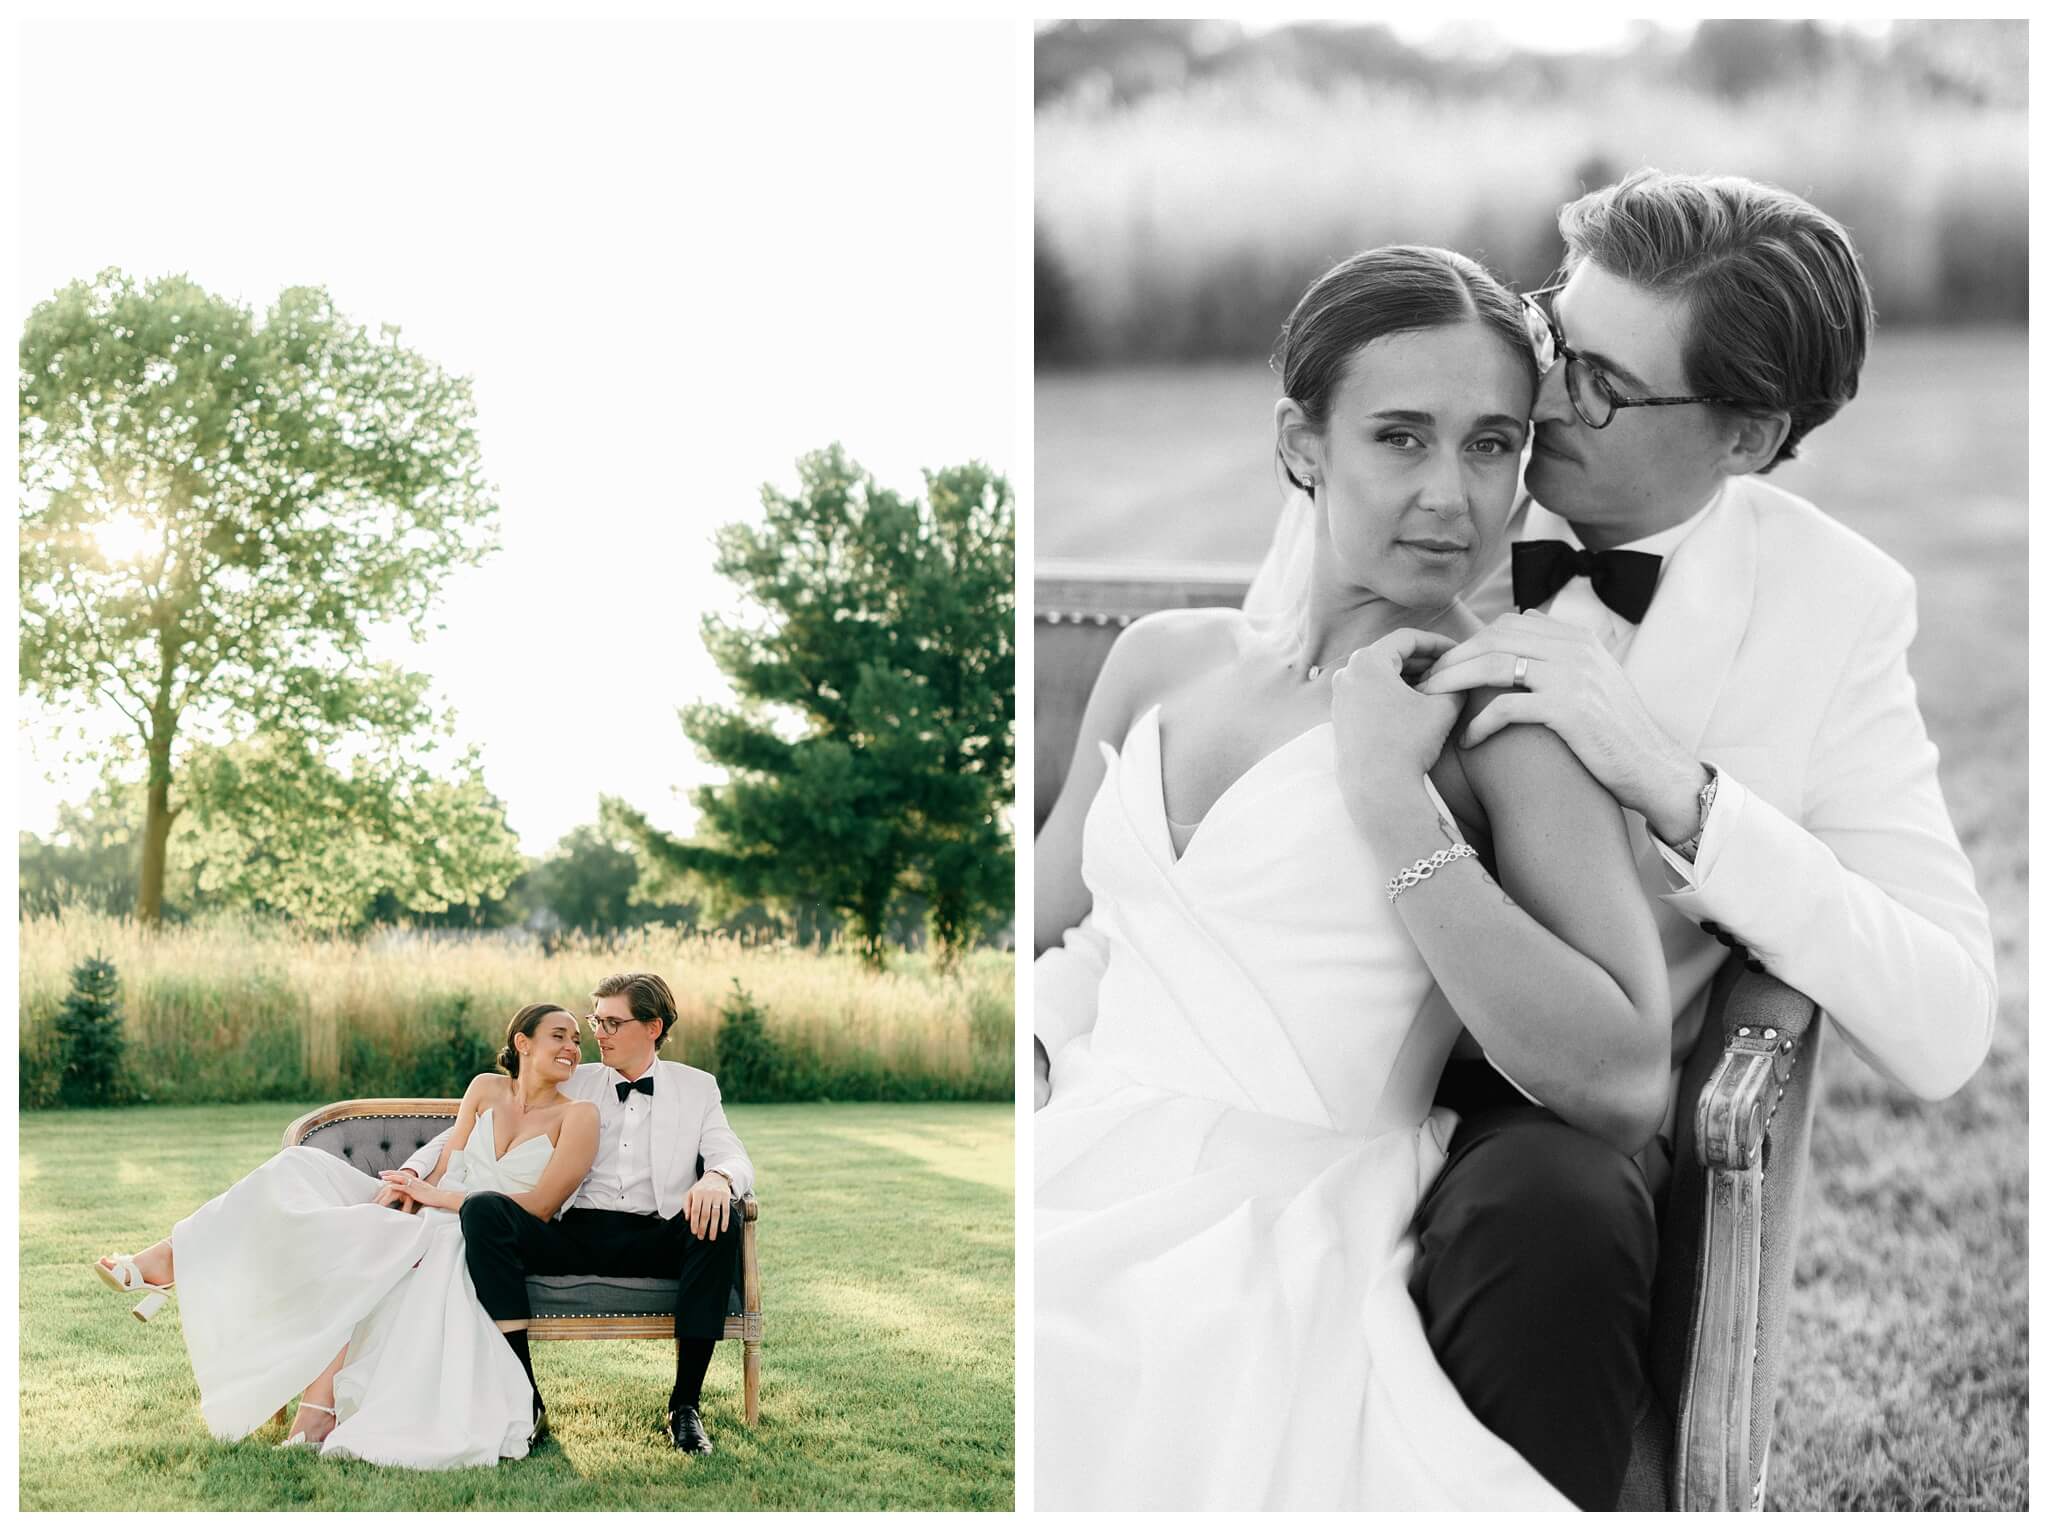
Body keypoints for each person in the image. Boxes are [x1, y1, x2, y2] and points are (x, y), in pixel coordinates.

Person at [1032, 244, 1671, 1509]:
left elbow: (1623, 1075)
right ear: (1301, 440)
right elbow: (1034, 924)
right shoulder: (1160, 659)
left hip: (1267, 1220)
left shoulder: (1506, 716)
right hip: (1067, 1152)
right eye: (1399, 436)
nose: (1452, 494)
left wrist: (1387, 803)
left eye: (1492, 444)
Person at [1399, 169, 1998, 1508]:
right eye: (1556, 330)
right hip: (1324, 1024)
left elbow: (1949, 1021)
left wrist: (1684, 789)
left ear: (1745, 435)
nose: (1543, 393)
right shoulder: (1430, 482)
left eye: (1603, 383)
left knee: (1547, 1212)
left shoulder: (1834, 605)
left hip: (1567, 1104)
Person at [93, 1003, 600, 1468]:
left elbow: (538, 1208)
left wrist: (431, 1198)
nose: (572, 1049)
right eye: (560, 1035)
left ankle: (317, 1408)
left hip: (483, 1232)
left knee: (375, 1241)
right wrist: (411, 1187)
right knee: (299, 1166)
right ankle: (171, 1254)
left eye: (578, 1040)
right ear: (523, 1043)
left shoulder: (578, 1115)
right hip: (432, 1206)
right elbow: (450, 1163)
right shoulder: (485, 1088)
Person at [399, 970, 754, 1455]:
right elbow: (466, 1130)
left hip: (657, 1234)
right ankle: (526, 1398)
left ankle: (685, 1406)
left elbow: (730, 1152)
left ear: (652, 1027)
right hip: (571, 1232)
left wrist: (718, 1179)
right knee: (484, 1210)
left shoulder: (697, 1088)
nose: (596, 1035)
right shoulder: (574, 1076)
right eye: (597, 1021)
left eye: (611, 1023)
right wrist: (413, 1172)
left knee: (721, 1220)